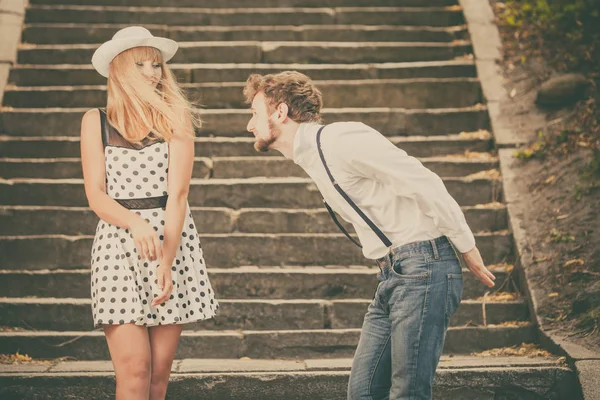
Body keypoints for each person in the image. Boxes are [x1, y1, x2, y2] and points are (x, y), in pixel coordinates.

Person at [243, 71, 496, 400]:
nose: (249, 125)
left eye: (254, 113)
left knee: (408, 393)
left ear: (280, 112)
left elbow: (422, 181)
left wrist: (466, 245)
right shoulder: (312, 155)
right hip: (394, 273)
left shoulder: (341, 140)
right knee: (363, 392)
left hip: (424, 266)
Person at [80, 26, 218, 400]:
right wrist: (134, 222)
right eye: (141, 64)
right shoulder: (96, 120)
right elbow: (96, 194)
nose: (152, 72)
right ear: (119, 69)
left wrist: (167, 262)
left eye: (156, 64)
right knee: (134, 371)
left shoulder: (176, 117)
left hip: (170, 243)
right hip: (118, 245)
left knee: (158, 378)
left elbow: (178, 195)